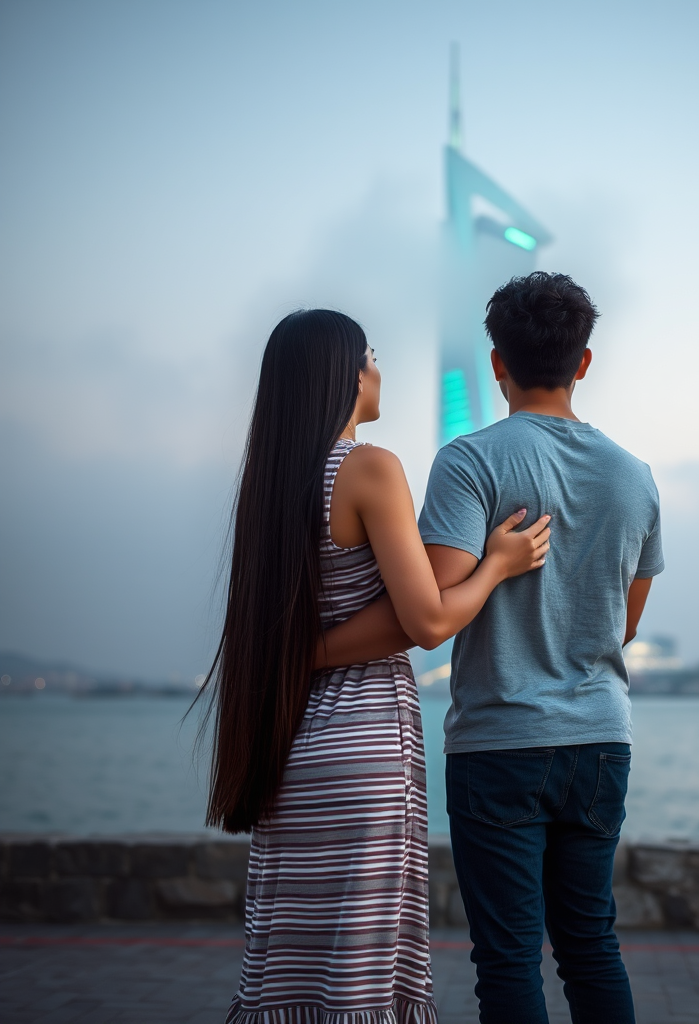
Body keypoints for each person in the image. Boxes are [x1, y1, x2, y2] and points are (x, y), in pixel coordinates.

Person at [318, 272, 663, 1024]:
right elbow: (624, 625)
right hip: (602, 739)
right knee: (592, 945)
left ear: (497, 363)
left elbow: (436, 604)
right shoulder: (637, 480)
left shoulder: (470, 461)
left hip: (500, 740)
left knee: (508, 958)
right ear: (584, 363)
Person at [202, 309, 551, 1024]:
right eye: (370, 356)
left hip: (287, 744)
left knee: (289, 970)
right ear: (343, 375)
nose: (379, 368)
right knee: (358, 975)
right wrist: (496, 567)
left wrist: (298, 655)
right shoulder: (368, 467)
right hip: (361, 746)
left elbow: (290, 629)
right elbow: (425, 622)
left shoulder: (271, 485)